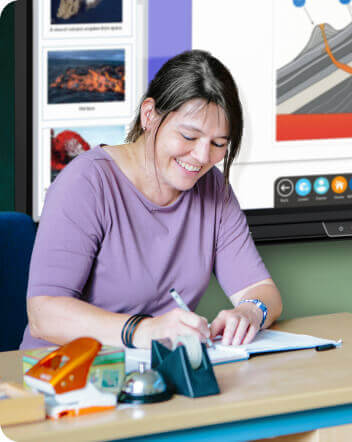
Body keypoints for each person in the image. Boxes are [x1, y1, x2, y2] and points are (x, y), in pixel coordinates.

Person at [21, 50, 282, 350]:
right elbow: (44, 315)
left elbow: (261, 290)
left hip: (151, 377)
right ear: (149, 116)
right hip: (63, 378)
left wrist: (250, 312)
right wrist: (143, 331)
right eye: (188, 136)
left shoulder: (213, 187)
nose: (201, 157)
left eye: (218, 143)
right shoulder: (86, 182)